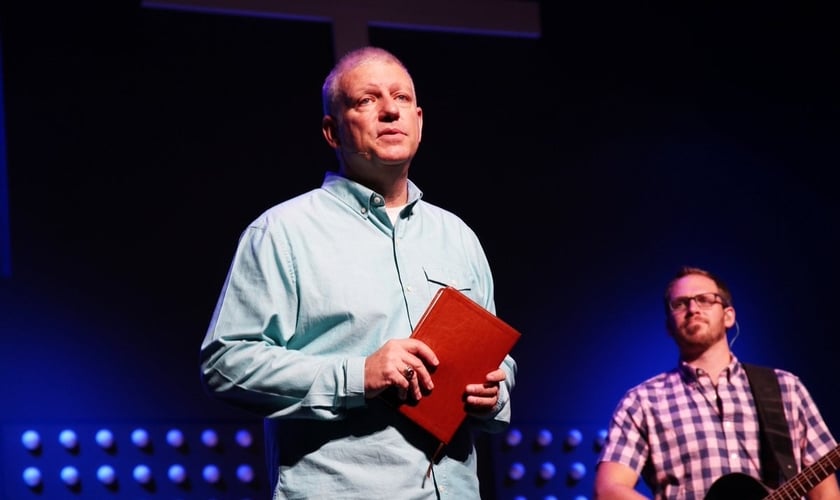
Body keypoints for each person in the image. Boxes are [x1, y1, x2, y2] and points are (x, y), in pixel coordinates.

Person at [199, 46, 517, 499]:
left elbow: (497, 358)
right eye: (366, 100)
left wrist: (494, 394)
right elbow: (225, 364)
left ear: (420, 121)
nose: (390, 110)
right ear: (332, 131)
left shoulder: (459, 237)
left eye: (401, 98)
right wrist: (358, 375)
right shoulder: (283, 232)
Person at [593, 266, 840, 500]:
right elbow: (609, 489)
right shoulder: (643, 401)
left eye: (705, 299)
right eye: (680, 304)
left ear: (728, 316)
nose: (693, 308)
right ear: (669, 325)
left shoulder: (786, 388)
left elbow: (825, 491)